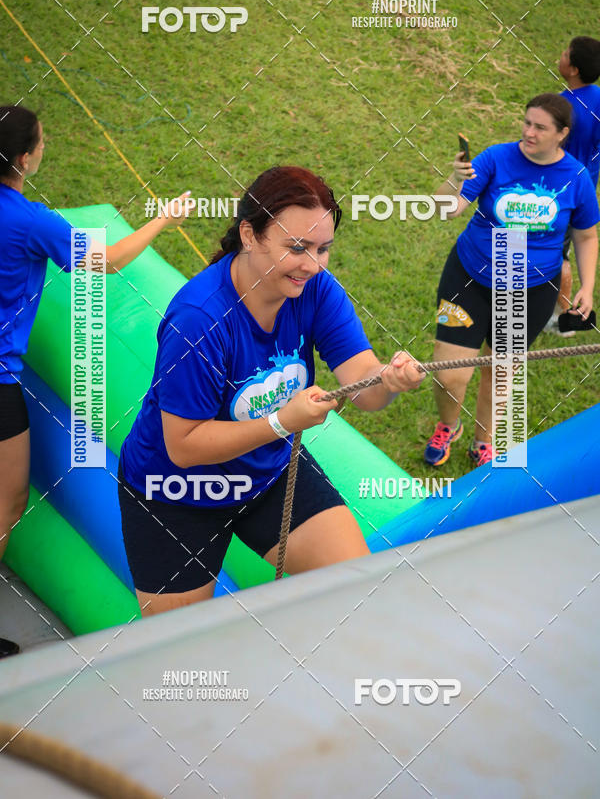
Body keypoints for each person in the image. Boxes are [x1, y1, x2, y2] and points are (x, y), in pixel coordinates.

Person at [118, 165, 425, 617]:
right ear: (249, 235)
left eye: (323, 249)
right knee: (180, 645)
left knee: (361, 591)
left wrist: (388, 378)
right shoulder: (199, 320)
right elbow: (183, 447)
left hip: (269, 473)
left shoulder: (316, 289)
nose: (313, 265)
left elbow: (365, 388)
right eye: (297, 248)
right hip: (175, 493)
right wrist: (281, 422)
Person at [0, 105, 189, 656]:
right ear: (25, 159)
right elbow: (105, 260)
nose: (45, 146)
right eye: (41, 141)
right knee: (8, 500)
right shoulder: (31, 222)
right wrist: (163, 220)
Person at [424, 93, 599, 468]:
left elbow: (586, 236)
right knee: (449, 375)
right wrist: (454, 179)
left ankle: (483, 440)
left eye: (540, 127)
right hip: (470, 277)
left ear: (562, 134)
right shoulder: (495, 158)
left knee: (499, 371)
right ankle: (449, 425)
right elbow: (447, 210)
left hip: (530, 290)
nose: (529, 132)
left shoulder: (576, 177)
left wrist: (587, 287)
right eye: (527, 123)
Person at [544, 36, 600, 335]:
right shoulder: (599, 98)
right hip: (586, 190)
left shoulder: (561, 107)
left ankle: (563, 319)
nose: (561, 55)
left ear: (574, 69)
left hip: (558, 194)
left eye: (565, 53)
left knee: (557, 254)